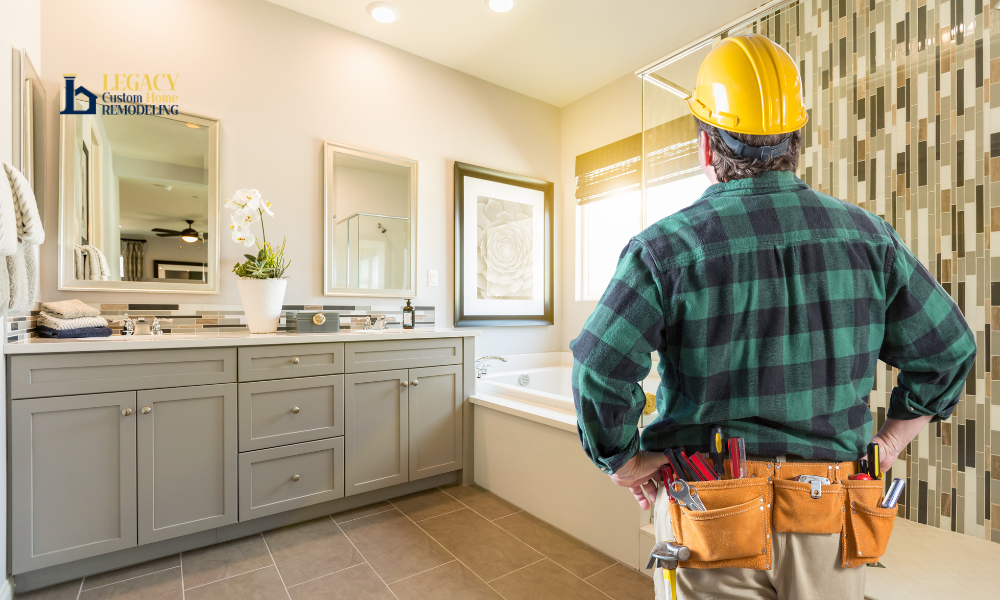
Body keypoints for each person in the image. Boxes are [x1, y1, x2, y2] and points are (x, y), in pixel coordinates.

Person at [570, 33, 976, 600]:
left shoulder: (663, 249)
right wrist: (890, 441)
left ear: (707, 145)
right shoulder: (868, 239)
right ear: (796, 142)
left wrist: (623, 459)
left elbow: (599, 365)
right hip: (829, 512)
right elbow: (950, 349)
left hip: (709, 512)